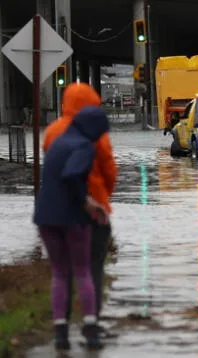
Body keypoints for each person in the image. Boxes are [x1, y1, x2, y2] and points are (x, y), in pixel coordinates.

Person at [42, 83, 118, 338]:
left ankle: (61, 326)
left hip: (58, 209)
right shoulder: (95, 134)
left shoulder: (52, 132)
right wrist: (104, 197)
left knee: (61, 272)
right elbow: (108, 169)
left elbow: (51, 169)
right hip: (91, 209)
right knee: (92, 267)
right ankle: (91, 324)